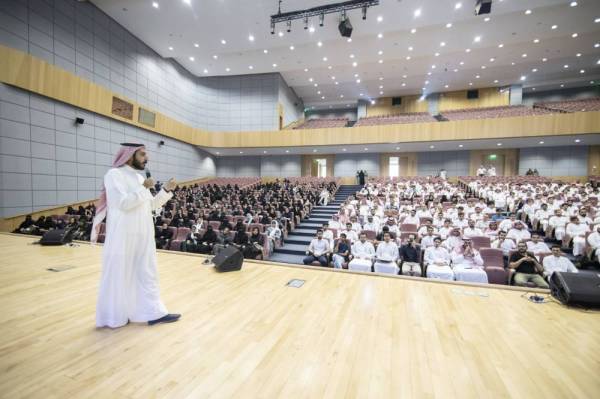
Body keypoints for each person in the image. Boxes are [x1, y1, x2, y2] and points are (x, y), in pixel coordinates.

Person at [93, 142, 180, 328]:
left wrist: (166, 190)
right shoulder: (114, 175)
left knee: (147, 273)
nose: (146, 158)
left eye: (146, 155)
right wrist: (143, 188)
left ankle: (153, 313)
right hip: (123, 237)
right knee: (120, 275)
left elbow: (151, 205)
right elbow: (122, 203)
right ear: (129, 155)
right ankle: (115, 317)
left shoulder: (140, 178)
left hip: (143, 236)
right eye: (142, 155)